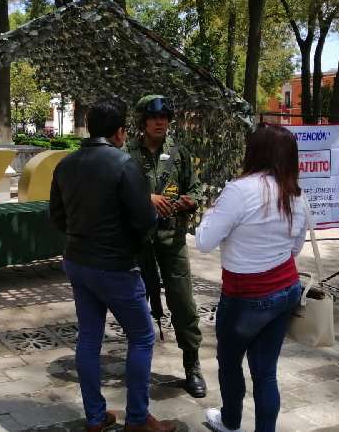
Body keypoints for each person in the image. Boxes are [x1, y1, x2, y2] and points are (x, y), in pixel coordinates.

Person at [50, 97, 175, 432]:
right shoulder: (123, 165)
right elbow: (144, 219)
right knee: (142, 337)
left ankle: (95, 416)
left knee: (90, 338)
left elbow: (57, 217)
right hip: (115, 266)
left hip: (78, 260)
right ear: (121, 133)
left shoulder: (66, 164)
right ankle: (137, 418)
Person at [195, 125, 307, 432]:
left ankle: (230, 421)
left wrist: (209, 213)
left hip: (245, 298)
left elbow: (204, 241)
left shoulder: (239, 191)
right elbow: (294, 248)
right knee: (266, 372)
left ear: (253, 152)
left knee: (230, 363)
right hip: (285, 290)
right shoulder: (296, 194)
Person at [125, 94, 207, 398]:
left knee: (183, 302)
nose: (160, 122)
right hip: (138, 242)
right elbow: (115, 192)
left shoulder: (179, 153)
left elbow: (195, 187)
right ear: (142, 121)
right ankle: (138, 365)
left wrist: (191, 200)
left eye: (165, 118)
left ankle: (192, 365)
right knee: (135, 304)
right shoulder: (126, 154)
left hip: (172, 239)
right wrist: (145, 199)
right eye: (154, 117)